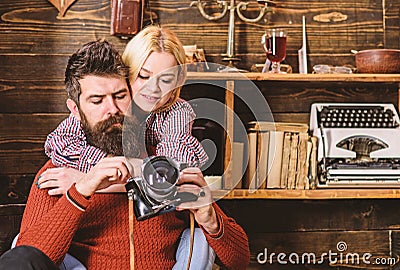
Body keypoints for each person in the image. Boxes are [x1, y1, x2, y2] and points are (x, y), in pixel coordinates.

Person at [0, 39, 250, 269]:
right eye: (97, 101)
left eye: (120, 96)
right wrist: (83, 189)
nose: (113, 110)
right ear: (75, 110)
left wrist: (212, 221)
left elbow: (239, 260)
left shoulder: (169, 167)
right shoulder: (59, 171)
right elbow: (26, 259)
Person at [44, 25, 208, 181]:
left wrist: (84, 180)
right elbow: (60, 143)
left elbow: (169, 172)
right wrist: (109, 166)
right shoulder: (109, 105)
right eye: (143, 76)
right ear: (127, 73)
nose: (153, 89)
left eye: (165, 80)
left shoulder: (177, 111)